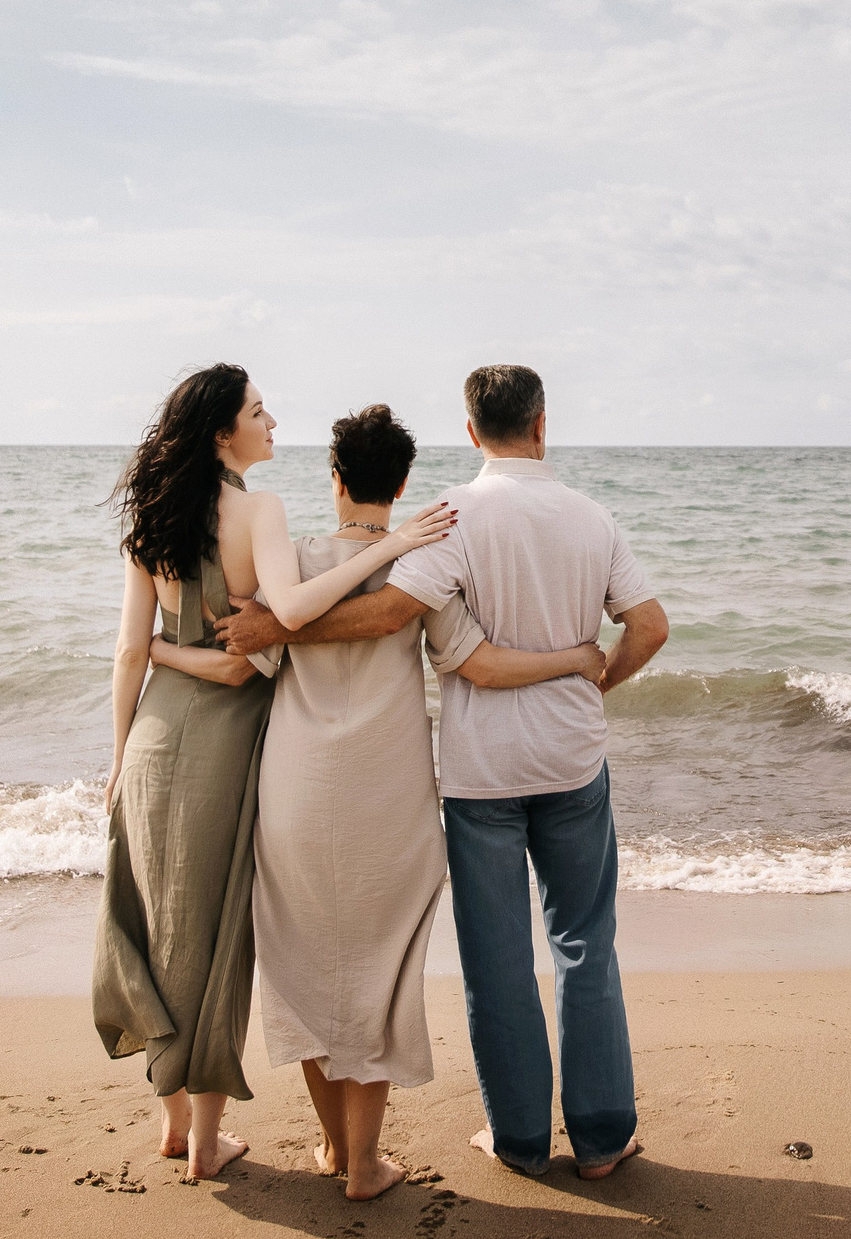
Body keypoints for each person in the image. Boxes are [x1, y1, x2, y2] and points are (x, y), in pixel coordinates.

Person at [218, 364, 668, 1180]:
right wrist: (596, 678)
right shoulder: (592, 516)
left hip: (481, 775)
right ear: (542, 424)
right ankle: (603, 1141)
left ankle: (519, 1140)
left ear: (470, 431)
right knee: (584, 945)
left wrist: (273, 629)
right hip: (572, 761)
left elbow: (390, 612)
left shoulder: (455, 516)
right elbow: (649, 625)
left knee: (497, 961)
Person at [94, 364, 454, 1179]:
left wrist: (124, 740)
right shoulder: (266, 516)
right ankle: (252, 1145)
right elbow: (278, 629)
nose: (272, 421)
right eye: (259, 411)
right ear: (226, 430)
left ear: (337, 478)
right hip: (265, 758)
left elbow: (142, 650)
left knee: (164, 928)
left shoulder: (160, 520)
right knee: (235, 938)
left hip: (166, 743)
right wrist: (395, 545)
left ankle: (184, 1124)